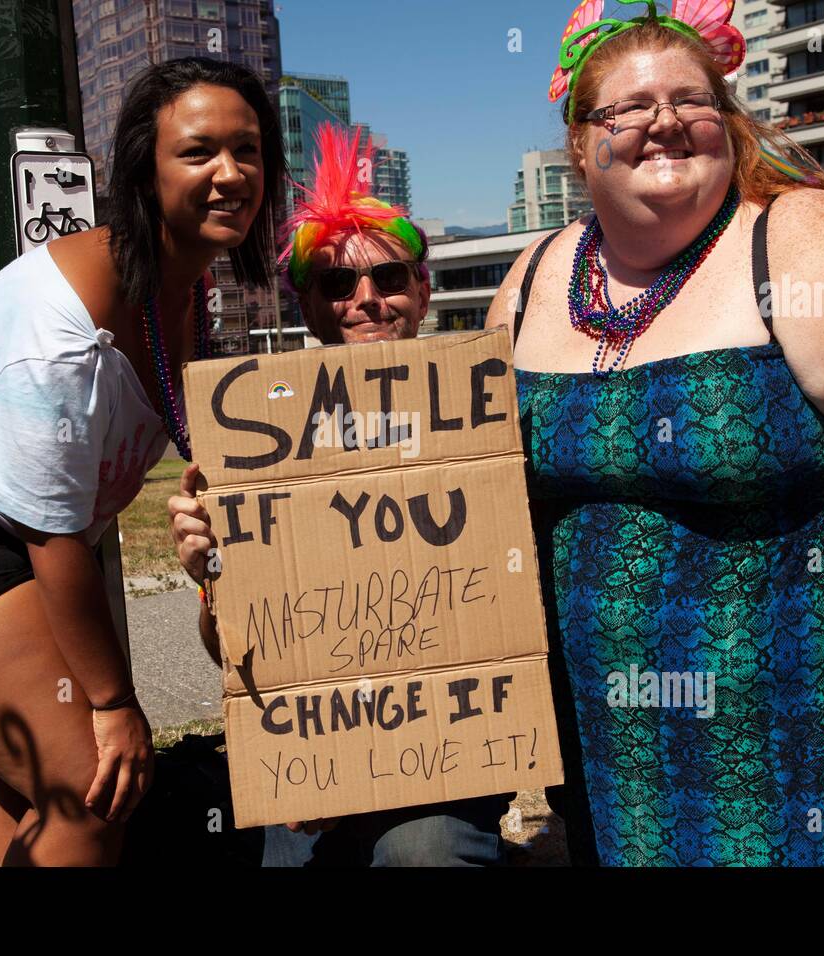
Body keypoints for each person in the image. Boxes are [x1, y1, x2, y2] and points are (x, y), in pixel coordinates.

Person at [484, 0, 824, 866]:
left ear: (726, 121)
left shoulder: (806, 242)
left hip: (807, 726)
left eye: (692, 101)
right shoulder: (533, 279)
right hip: (614, 739)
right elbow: (476, 476)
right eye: (629, 109)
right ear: (581, 144)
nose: (665, 122)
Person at [0, 57, 286, 866]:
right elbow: (54, 535)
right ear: (144, 170)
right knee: (91, 789)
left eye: (248, 151)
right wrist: (113, 702)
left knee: (26, 785)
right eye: (199, 151)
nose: (231, 174)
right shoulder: (64, 329)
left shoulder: (183, 288)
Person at [169, 124, 510, 866]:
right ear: (312, 305)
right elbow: (226, 650)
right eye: (338, 284)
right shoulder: (263, 428)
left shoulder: (482, 406)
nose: (366, 300)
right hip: (313, 748)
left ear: (421, 290)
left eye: (389, 278)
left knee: (421, 856)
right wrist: (213, 575)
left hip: (451, 747)